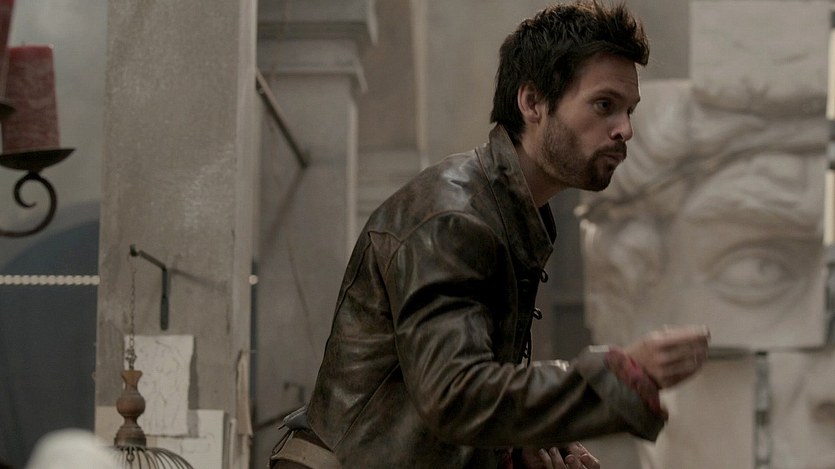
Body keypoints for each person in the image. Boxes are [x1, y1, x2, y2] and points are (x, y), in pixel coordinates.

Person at [270, 2, 710, 468]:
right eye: (604, 105)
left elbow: (444, 394)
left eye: (629, 111)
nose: (625, 130)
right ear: (532, 102)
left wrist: (518, 442)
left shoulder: (509, 215)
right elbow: (455, 395)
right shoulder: (452, 216)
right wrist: (619, 378)